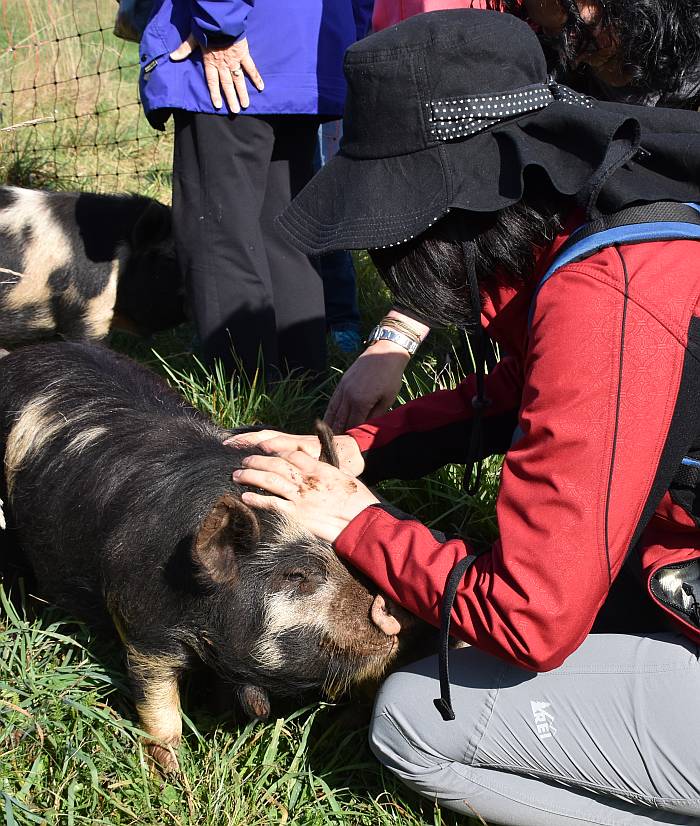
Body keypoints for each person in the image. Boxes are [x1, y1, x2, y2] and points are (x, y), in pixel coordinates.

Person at [227, 10, 700, 823]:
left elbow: (530, 618)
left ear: (451, 211)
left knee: (415, 718)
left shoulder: (607, 291)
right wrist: (356, 452)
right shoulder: (607, 209)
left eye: (390, 230)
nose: (391, 266)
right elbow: (530, 395)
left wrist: (357, 526)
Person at [326, 0, 700, 431]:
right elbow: (475, 200)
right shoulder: (545, 49)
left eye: (581, 21)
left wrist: (352, 503)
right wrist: (394, 340)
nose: (566, 40)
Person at [138, 0, 373, 381]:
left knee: (220, 235)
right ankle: (302, 390)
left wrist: (220, 28)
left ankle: (248, 396)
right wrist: (345, 36)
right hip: (311, 47)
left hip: (240, 45)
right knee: (284, 236)